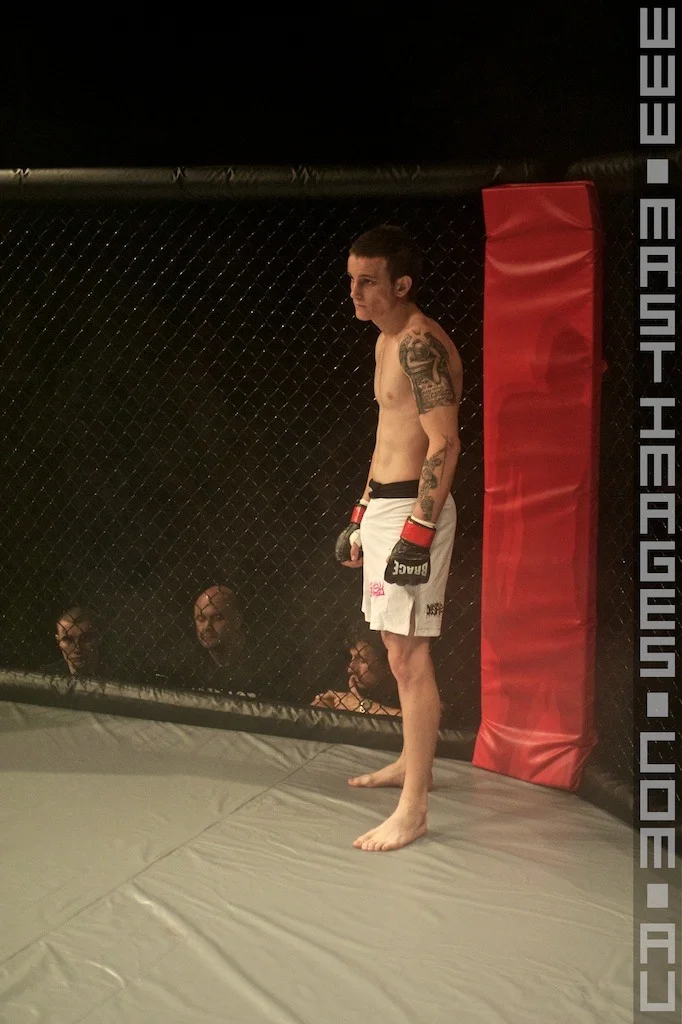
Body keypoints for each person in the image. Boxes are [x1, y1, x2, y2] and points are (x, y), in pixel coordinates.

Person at [335, 224, 462, 852]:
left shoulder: (418, 344)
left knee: (409, 658)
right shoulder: (385, 341)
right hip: (387, 508)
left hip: (416, 510)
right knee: (393, 648)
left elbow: (444, 443)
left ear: (402, 284)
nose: (355, 292)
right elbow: (389, 436)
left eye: (368, 281)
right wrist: (362, 512)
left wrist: (419, 528)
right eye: (351, 280)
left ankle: (414, 809)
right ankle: (414, 766)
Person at [312, 622, 402, 716]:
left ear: (389, 662)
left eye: (362, 660)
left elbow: (411, 720)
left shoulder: (407, 686)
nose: (350, 669)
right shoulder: (354, 682)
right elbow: (324, 702)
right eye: (352, 657)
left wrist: (364, 706)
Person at [43, 605, 103, 678]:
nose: (77, 648)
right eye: (68, 639)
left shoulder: (115, 673)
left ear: (98, 638)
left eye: (85, 638)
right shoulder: (45, 675)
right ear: (58, 641)